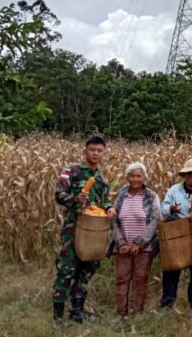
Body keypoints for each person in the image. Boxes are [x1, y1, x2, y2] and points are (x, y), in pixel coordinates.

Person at [52, 135, 117, 324]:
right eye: (92, 150)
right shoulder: (71, 172)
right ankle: (58, 316)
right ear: (85, 150)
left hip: (95, 231)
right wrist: (74, 200)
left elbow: (104, 200)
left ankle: (77, 311)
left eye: (99, 150)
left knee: (86, 269)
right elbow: (59, 195)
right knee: (66, 269)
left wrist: (110, 208)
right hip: (74, 230)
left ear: (103, 153)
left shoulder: (101, 179)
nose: (96, 153)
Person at [160, 158, 192, 312]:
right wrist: (172, 209)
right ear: (184, 175)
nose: (191, 176)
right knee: (171, 272)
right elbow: (163, 207)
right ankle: (167, 302)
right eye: (188, 173)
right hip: (176, 237)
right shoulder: (174, 190)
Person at [111, 162, 161, 318]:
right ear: (127, 177)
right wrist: (121, 243)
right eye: (132, 176)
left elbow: (155, 220)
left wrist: (139, 243)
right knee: (121, 278)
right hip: (123, 246)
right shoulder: (121, 195)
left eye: (138, 176)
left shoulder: (151, 196)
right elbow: (113, 220)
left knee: (140, 279)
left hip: (144, 247)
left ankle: (137, 313)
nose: (135, 179)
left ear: (144, 178)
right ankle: (121, 314)